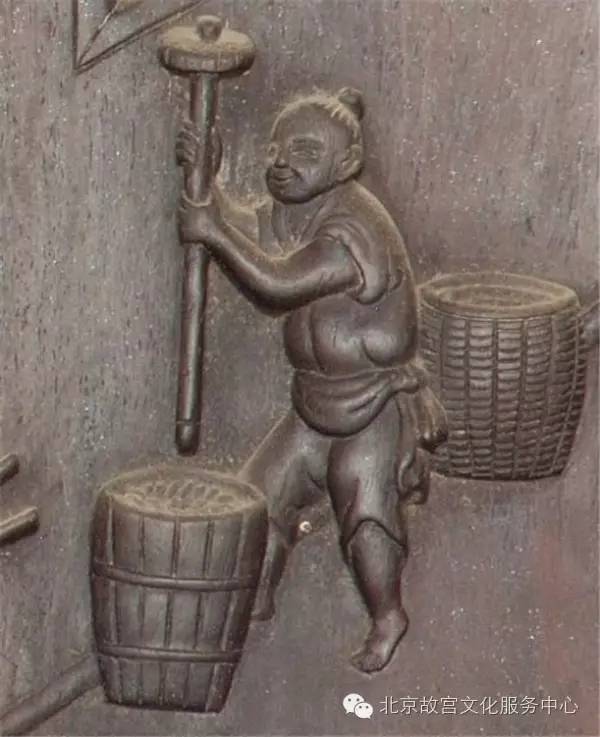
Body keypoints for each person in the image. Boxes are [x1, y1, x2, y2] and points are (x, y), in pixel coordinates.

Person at [177, 87, 446, 673]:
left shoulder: (355, 230)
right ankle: (256, 600)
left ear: (346, 163)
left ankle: (387, 616)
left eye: (303, 151)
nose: (281, 162)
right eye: (276, 149)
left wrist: (212, 232)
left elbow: (279, 281)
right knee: (259, 499)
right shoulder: (301, 207)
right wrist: (210, 184)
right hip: (314, 405)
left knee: (365, 513)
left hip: (369, 407)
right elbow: (254, 228)